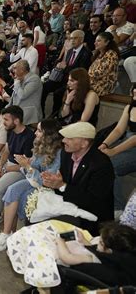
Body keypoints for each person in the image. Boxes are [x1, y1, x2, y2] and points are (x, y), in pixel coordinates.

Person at [0, 119, 62, 251]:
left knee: (19, 195)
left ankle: (10, 235)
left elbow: (47, 181)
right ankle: (7, 234)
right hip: (33, 181)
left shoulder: (58, 153)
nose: (35, 133)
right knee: (11, 190)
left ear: (49, 134)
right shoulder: (40, 146)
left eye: (40, 131)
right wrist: (26, 163)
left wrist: (27, 166)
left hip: (46, 188)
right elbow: (31, 168)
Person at [42, 122, 115, 235]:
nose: (63, 141)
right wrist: (54, 182)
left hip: (91, 216)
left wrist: (62, 186)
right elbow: (63, 183)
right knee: (35, 216)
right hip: (70, 205)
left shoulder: (101, 165)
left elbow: (92, 200)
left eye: (69, 138)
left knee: (48, 226)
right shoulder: (66, 154)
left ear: (84, 143)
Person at [98, 83, 136, 213]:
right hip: (127, 141)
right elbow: (118, 130)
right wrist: (104, 144)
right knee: (99, 158)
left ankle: (118, 207)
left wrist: (113, 151)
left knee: (111, 165)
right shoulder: (129, 107)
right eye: (134, 93)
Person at [41, 30, 92, 116]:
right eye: (71, 38)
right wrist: (59, 66)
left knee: (58, 93)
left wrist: (66, 67)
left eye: (75, 38)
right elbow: (65, 67)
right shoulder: (70, 51)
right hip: (63, 79)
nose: (72, 40)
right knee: (44, 86)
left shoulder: (86, 53)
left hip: (74, 83)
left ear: (81, 39)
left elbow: (81, 71)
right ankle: (41, 111)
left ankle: (54, 115)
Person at [7, 60, 43, 126]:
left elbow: (23, 95)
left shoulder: (34, 79)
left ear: (22, 70)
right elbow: (14, 97)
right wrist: (7, 108)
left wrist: (17, 83)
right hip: (19, 109)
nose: (13, 71)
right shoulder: (20, 78)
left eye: (15, 68)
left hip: (29, 113)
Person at [88, 32, 120, 97]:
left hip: (104, 84)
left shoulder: (111, 54)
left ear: (107, 42)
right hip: (94, 81)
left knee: (80, 89)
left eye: (98, 41)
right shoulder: (98, 54)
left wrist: (85, 76)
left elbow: (101, 72)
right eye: (95, 41)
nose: (95, 43)